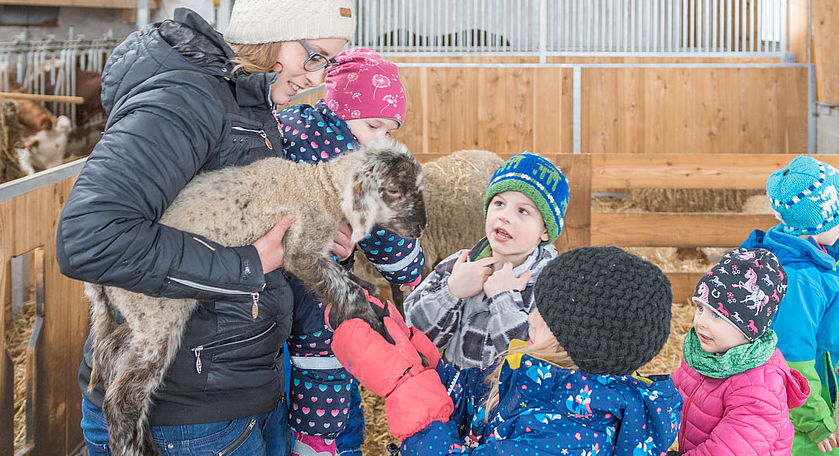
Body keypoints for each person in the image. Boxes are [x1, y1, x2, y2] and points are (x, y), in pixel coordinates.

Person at [53, 0, 360, 453]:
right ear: (270, 31)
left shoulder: (248, 101)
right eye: (314, 54)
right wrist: (248, 265)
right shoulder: (185, 99)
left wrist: (309, 242)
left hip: (240, 385)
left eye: (330, 63)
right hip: (185, 413)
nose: (318, 76)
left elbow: (226, 219)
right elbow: (91, 238)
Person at [333, 246, 682, 454]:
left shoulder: (568, 436)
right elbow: (479, 397)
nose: (528, 316)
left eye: (540, 311)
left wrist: (408, 390)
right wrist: (423, 360)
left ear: (570, 340)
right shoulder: (543, 378)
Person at [276, 47, 423, 456]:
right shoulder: (355, 161)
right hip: (311, 280)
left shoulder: (289, 121)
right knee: (326, 349)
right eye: (374, 125)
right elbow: (385, 236)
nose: (381, 139)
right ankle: (316, 440)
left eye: (388, 132)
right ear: (340, 110)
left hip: (262, 280)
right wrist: (410, 270)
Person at [739, 156, 839, 455]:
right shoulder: (798, 280)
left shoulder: (817, 255)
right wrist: (817, 422)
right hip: (813, 417)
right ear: (814, 224)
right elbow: (791, 362)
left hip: (834, 392)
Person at [403, 153, 568, 370]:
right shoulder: (459, 264)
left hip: (507, 402)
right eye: (499, 203)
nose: (504, 216)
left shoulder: (553, 287)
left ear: (545, 230)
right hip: (454, 399)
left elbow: (533, 367)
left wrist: (503, 300)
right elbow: (414, 336)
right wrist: (450, 292)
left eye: (523, 211)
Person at [672, 248, 810, 455]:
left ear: (748, 328)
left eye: (716, 315)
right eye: (700, 308)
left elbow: (729, 450)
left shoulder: (760, 386)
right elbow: (675, 391)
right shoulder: (702, 356)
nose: (700, 322)